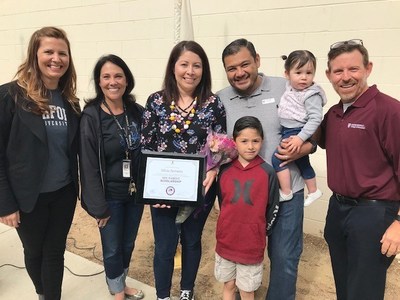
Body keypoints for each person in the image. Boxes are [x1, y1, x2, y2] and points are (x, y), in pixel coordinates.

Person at [217, 38, 315, 300]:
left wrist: (305, 148)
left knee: (284, 257)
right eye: (231, 68)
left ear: (257, 60)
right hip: (244, 197)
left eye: (245, 64)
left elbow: (316, 131)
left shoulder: (286, 87)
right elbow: (214, 145)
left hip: (286, 192)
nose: (239, 73)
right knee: (240, 258)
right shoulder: (220, 100)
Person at [141, 40, 226, 300]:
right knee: (165, 246)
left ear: (204, 70)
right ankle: (163, 295)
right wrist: (154, 190)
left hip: (199, 189)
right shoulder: (156, 101)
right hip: (162, 191)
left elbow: (220, 143)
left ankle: (186, 290)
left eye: (197, 65)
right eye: (184, 64)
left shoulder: (213, 103)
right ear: (173, 67)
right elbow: (145, 145)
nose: (190, 71)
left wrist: (213, 169)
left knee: (191, 240)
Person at [0, 27, 80, 300]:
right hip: (27, 197)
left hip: (63, 193)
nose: (56, 58)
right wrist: (5, 203)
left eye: (62, 53)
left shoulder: (70, 102)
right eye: (49, 51)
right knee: (34, 252)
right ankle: (42, 292)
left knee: (55, 252)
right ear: (35, 55)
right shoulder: (10, 96)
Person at [318, 39, 400, 300]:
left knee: (364, 292)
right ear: (329, 75)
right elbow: (311, 143)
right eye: (338, 71)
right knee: (345, 288)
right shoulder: (333, 114)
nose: (345, 78)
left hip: (373, 215)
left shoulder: (389, 111)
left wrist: (399, 223)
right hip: (338, 210)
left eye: (353, 69)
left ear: (368, 68)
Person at [79, 54, 144, 300]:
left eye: (118, 76)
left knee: (128, 244)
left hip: (135, 193)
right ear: (99, 82)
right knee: (113, 247)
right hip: (110, 197)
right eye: (106, 77)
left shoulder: (137, 112)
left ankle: (121, 283)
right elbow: (87, 165)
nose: (112, 82)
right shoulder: (92, 116)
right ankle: (117, 291)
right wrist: (98, 207)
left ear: (127, 80)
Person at [215, 116, 279, 300]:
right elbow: (223, 201)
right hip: (226, 240)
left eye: (255, 141)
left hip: (251, 244)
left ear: (262, 141)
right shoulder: (225, 170)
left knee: (247, 290)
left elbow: (273, 207)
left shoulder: (267, 172)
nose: (250, 146)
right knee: (228, 285)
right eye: (244, 141)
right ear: (234, 141)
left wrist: (260, 231)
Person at [271, 50, 327, 206]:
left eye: (309, 73)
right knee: (303, 163)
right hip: (289, 130)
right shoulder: (291, 87)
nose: (304, 77)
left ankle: (286, 192)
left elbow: (316, 118)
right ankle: (314, 190)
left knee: (278, 160)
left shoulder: (310, 94)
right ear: (287, 74)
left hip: (297, 132)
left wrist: (300, 138)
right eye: (298, 72)